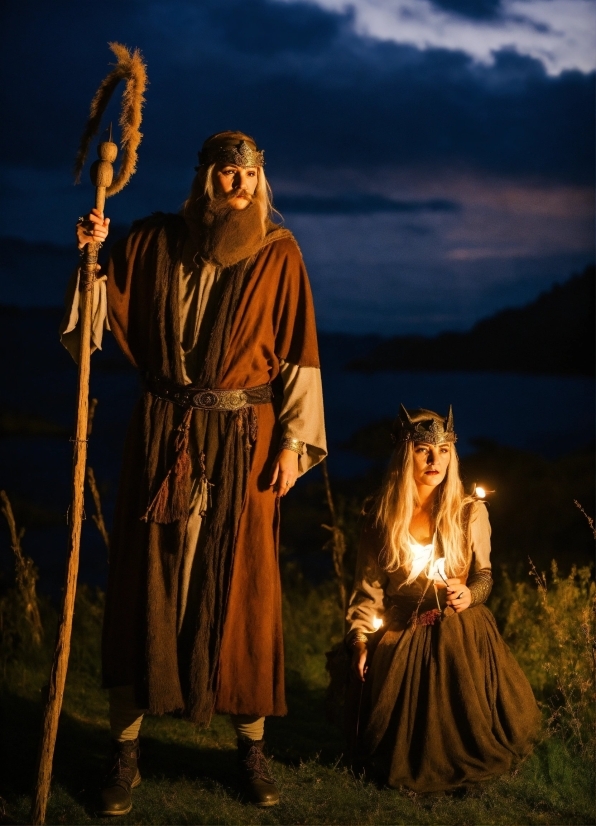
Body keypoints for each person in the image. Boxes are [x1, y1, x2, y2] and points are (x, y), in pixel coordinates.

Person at [61, 131, 327, 813]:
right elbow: (96, 326)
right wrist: (93, 259)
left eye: (245, 173)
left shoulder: (279, 254)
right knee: (146, 582)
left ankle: (251, 750)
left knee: (244, 591)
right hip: (163, 432)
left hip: (246, 438)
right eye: (223, 170)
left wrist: (296, 443)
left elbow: (298, 353)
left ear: (258, 181)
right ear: (206, 176)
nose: (234, 181)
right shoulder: (153, 242)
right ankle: (126, 754)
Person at [346, 405, 539, 793]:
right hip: (401, 633)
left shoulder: (469, 511)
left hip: (459, 632)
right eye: (423, 450)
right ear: (405, 454)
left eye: (445, 450)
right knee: (391, 745)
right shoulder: (379, 516)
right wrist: (361, 640)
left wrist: (471, 593)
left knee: (462, 731)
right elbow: (367, 590)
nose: (436, 460)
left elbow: (485, 574)